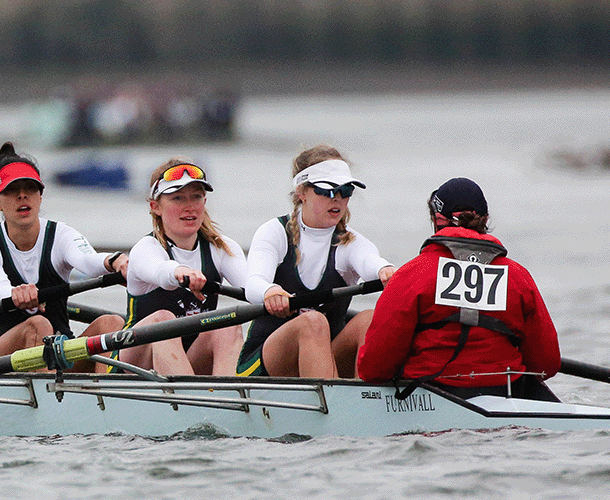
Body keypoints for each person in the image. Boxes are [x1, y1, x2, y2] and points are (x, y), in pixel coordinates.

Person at [358, 178, 560, 401]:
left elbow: (374, 369)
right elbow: (546, 365)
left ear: (437, 219)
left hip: (430, 400)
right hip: (506, 395)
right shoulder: (518, 276)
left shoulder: (412, 275)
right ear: (485, 220)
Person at [238, 146, 396, 378]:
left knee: (370, 319)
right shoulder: (274, 232)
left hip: (326, 358)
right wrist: (270, 291)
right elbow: (253, 283)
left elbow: (370, 262)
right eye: (327, 190)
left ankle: (369, 401)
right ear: (301, 191)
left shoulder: (350, 242)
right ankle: (333, 405)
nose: (338, 199)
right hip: (264, 365)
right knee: (312, 321)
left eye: (345, 190)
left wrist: (385, 270)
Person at [0, 142, 130, 363]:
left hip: (61, 354)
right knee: (38, 325)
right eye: (12, 190)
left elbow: (88, 260)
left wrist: (116, 261)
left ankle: (103, 394)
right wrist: (14, 294)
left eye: (30, 188)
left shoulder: (61, 234)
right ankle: (51, 394)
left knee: (111, 323)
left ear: (40, 196)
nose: (23, 196)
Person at [112, 158, 246, 376]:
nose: (190, 206)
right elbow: (161, 271)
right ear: (155, 207)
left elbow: (252, 287)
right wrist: (180, 272)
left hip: (190, 357)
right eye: (177, 198)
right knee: (163, 319)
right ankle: (191, 402)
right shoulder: (146, 248)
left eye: (196, 197)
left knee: (228, 324)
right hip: (135, 362)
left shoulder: (222, 248)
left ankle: (228, 399)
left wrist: (273, 293)